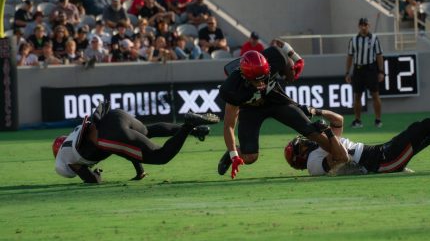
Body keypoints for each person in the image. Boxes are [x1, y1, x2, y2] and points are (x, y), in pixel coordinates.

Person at [216, 40, 349, 179]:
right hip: (250, 110)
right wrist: (234, 155)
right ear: (245, 77)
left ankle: (343, 159)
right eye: (257, 81)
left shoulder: (276, 57)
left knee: (311, 130)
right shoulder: (231, 89)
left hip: (276, 100)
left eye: (264, 78)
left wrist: (296, 62)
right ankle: (233, 152)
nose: (261, 84)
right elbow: (229, 126)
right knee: (250, 157)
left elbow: (289, 69)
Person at [53, 102, 219, 183]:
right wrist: (139, 170)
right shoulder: (76, 135)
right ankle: (195, 130)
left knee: (160, 156)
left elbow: (93, 181)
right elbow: (126, 150)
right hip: (116, 116)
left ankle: (189, 125)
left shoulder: (68, 159)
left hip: (107, 135)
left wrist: (96, 175)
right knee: (148, 131)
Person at [284, 110, 430, 177]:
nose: (304, 142)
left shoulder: (319, 145)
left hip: (380, 153)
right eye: (300, 146)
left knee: (428, 131)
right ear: (299, 158)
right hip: (380, 162)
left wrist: (315, 111)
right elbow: (341, 157)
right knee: (425, 127)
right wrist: (326, 132)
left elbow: (338, 121)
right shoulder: (313, 165)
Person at [344, 18, 384, 128]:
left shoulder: (374, 39)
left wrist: (381, 71)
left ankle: (378, 119)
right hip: (358, 70)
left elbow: (379, 56)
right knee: (357, 96)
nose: (363, 27)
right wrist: (347, 72)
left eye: (365, 25)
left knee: (375, 94)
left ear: (369, 25)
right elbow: (350, 56)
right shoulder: (353, 40)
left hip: (371, 69)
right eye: (361, 25)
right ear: (358, 26)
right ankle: (357, 120)